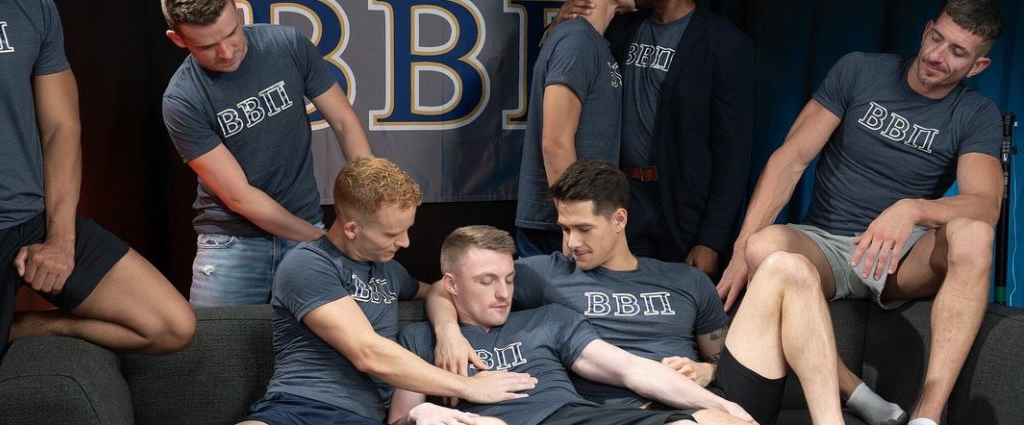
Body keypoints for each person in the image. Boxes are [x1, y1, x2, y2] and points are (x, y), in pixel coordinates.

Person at [715, 2, 1004, 424]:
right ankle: (857, 392)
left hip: (902, 257)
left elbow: (985, 205)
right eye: (936, 38)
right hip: (826, 245)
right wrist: (741, 250)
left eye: (957, 52)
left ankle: (926, 415)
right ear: (926, 29)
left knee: (975, 235)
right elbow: (791, 159)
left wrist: (912, 209)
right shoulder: (859, 70)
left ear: (978, 66)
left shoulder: (976, 113)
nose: (937, 55)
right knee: (763, 246)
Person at [430, 161, 845, 425]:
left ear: (619, 220)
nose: (571, 243)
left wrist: (707, 371)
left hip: (720, 401)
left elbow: (721, 358)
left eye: (583, 229)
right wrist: (448, 331)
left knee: (788, 266)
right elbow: (447, 287)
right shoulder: (545, 273)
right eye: (564, 229)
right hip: (630, 413)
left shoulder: (685, 279)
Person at [0, 1, 196, 424]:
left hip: (31, 221)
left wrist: (60, 239)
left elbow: (61, 127)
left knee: (171, 325)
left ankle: (15, 328)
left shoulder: (32, 7)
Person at [239, 157, 537, 425]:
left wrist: (448, 332)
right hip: (298, 406)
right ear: (352, 229)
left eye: (407, 229)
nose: (405, 242)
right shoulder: (308, 263)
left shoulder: (389, 271)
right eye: (392, 233)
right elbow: (367, 352)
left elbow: (438, 290)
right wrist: (469, 387)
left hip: (361, 418)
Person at [391, 225, 755, 425]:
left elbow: (630, 369)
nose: (503, 293)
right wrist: (423, 413)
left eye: (510, 279)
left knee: (713, 422)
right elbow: (399, 419)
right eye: (486, 281)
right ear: (451, 284)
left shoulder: (549, 319)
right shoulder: (418, 339)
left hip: (573, 418)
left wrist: (725, 406)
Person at [161, 0, 373, 306]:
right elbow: (239, 196)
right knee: (215, 337)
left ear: (237, 10)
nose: (226, 52)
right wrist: (325, 243)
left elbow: (343, 122)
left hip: (305, 224)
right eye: (207, 46)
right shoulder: (182, 98)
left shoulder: (287, 44)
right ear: (177, 39)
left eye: (231, 33)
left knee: (329, 335)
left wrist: (371, 203)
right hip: (231, 243)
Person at [559, 0, 753, 277]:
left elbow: (733, 155)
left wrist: (710, 241)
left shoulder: (725, 43)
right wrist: (561, 24)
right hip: (624, 196)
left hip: (681, 209)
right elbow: (566, 58)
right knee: (617, 293)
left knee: (676, 299)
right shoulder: (620, 27)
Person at [515, 0, 634, 257]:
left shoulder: (590, 41)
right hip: (557, 230)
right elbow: (555, 143)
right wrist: (573, 225)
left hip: (580, 222)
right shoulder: (577, 41)